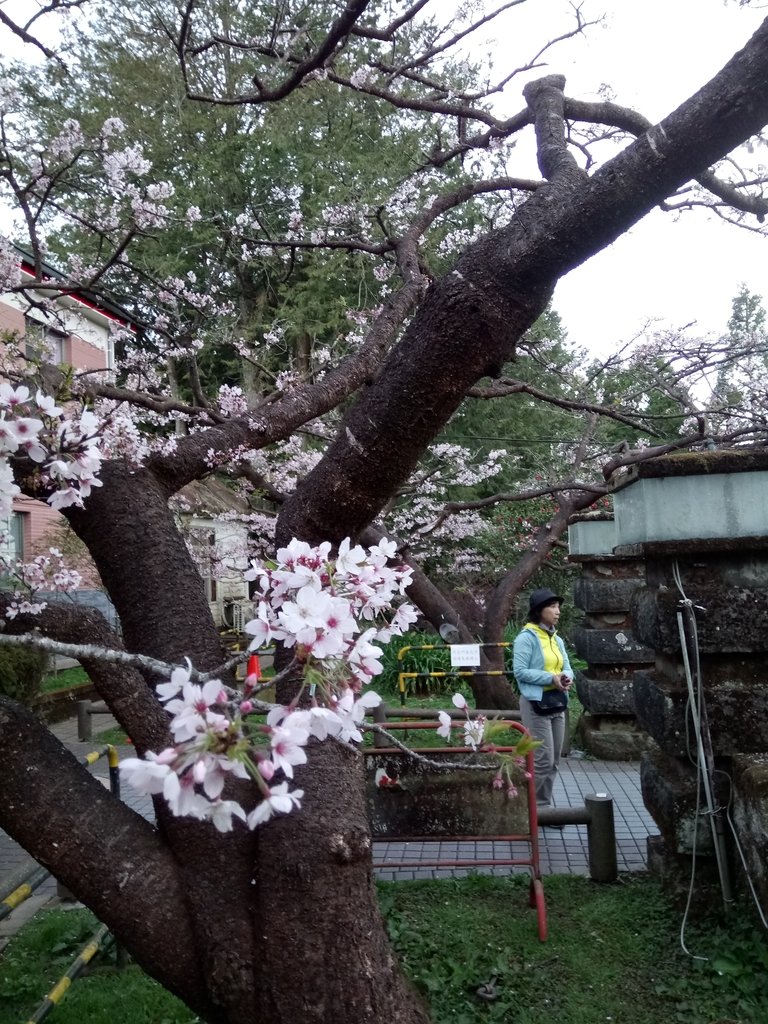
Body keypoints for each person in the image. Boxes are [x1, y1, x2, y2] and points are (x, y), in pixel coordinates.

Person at [513, 587, 573, 812]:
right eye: (552, 606)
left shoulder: (557, 638)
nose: (557, 611)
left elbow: (567, 665)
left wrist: (566, 677)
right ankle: (527, 809)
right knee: (542, 761)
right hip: (535, 704)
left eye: (558, 607)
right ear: (539, 610)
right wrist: (551, 677)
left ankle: (544, 808)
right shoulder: (526, 638)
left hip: (557, 701)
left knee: (554, 761)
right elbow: (519, 671)